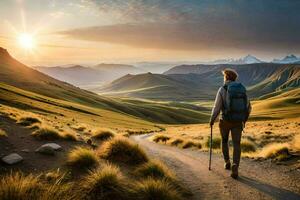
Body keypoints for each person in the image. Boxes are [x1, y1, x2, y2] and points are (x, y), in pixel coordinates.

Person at [209, 68, 251, 179]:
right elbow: (248, 107)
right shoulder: (242, 89)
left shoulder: (222, 89)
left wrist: (212, 119)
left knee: (224, 141)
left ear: (226, 77)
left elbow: (217, 107)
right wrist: (243, 120)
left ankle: (227, 162)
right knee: (237, 144)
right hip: (238, 121)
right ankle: (235, 165)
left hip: (225, 121)